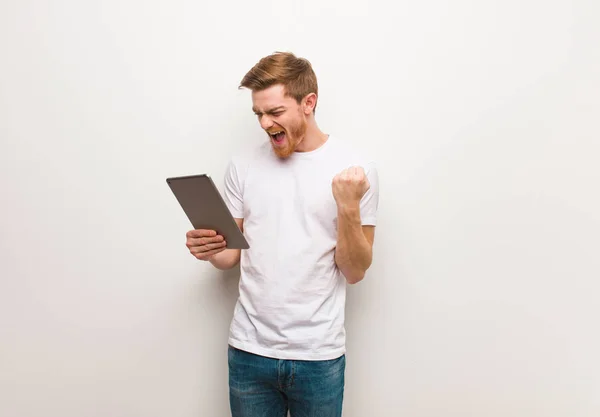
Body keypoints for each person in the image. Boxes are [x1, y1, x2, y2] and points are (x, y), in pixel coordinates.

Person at [185, 51, 379, 417]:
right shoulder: (243, 165)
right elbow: (229, 257)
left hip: (318, 356)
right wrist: (209, 247)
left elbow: (355, 271)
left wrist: (348, 207)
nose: (264, 123)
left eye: (274, 113)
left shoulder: (355, 170)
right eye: (258, 113)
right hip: (248, 352)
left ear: (309, 103)